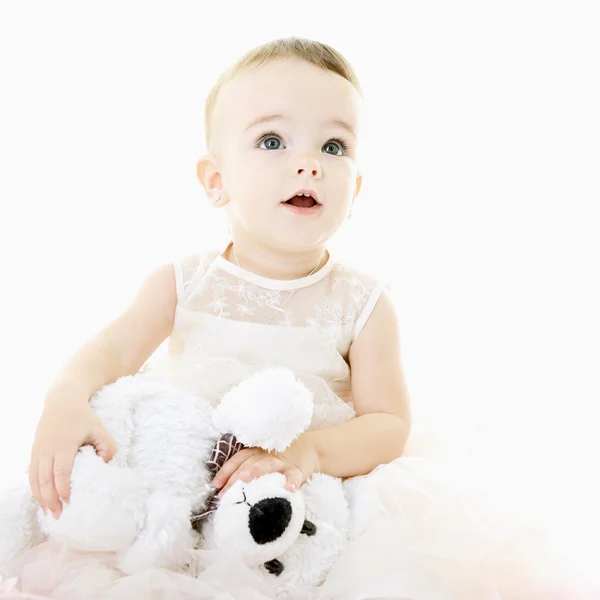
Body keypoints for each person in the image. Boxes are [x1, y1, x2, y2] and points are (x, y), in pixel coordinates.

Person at [4, 37, 592, 599]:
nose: (309, 163)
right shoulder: (183, 283)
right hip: (183, 490)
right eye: (272, 141)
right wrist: (66, 400)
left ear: (354, 189)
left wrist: (309, 453)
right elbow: (107, 353)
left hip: (304, 501)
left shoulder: (363, 303)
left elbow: (388, 422)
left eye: (333, 148)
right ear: (216, 181)